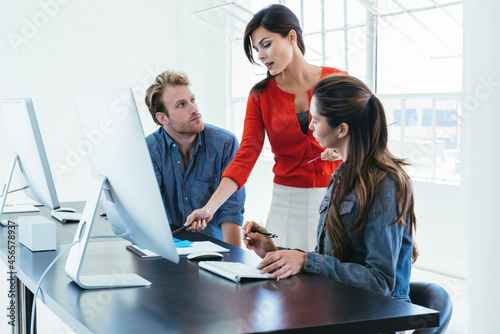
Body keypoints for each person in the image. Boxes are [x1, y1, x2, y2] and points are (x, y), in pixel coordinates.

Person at [242, 74, 418, 301]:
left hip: (375, 317)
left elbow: (380, 281)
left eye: (316, 120)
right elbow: (332, 260)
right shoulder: (343, 174)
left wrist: (306, 261)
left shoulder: (385, 182)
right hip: (339, 305)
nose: (310, 126)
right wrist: (273, 251)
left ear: (342, 129)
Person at [186, 4, 346, 251]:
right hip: (286, 203)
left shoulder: (338, 81)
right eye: (256, 48)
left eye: (266, 44)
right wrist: (210, 208)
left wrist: (345, 150)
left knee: (333, 280)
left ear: (291, 37)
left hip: (337, 196)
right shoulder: (260, 95)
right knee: (285, 283)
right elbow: (246, 155)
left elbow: (367, 133)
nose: (260, 55)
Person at [144, 70, 245, 247]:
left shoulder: (225, 143)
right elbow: (147, 210)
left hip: (215, 248)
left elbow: (231, 210)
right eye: (181, 105)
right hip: (169, 248)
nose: (194, 109)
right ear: (162, 118)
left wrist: (235, 262)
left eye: (192, 100)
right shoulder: (150, 150)